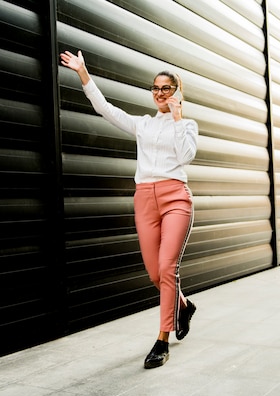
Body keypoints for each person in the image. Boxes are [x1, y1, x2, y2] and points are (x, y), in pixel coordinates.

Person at [60, 50, 198, 369]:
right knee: (154, 273)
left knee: (167, 269)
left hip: (175, 196)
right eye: (155, 88)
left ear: (177, 93)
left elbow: (186, 156)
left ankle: (162, 340)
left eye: (167, 88)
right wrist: (83, 73)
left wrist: (177, 119)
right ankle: (184, 306)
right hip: (144, 199)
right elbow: (104, 108)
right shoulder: (142, 124)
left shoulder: (186, 124)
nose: (160, 93)